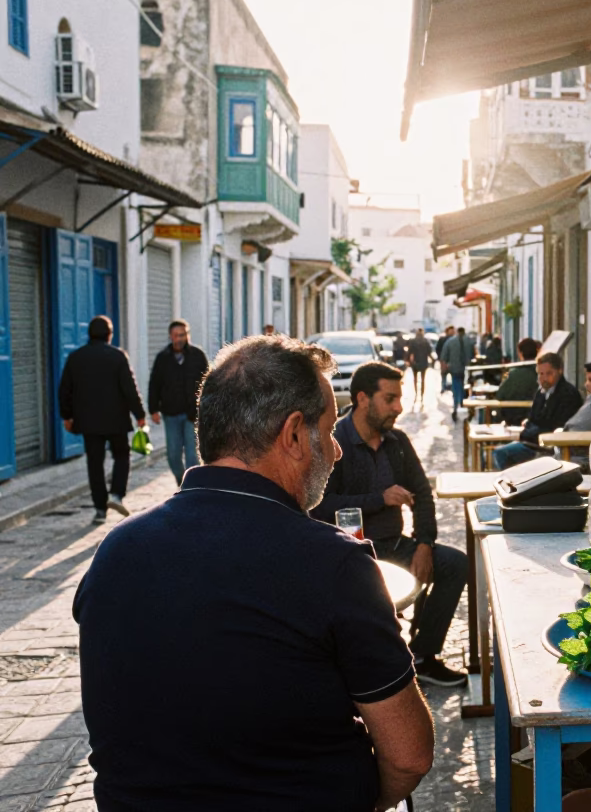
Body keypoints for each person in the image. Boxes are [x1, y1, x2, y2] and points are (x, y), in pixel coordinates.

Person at [73, 335, 434, 811]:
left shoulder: (117, 549)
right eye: (327, 432)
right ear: (291, 435)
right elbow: (409, 757)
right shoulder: (334, 563)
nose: (337, 451)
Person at [312, 362, 469, 687]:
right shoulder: (335, 442)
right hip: (351, 555)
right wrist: (379, 499)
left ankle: (424, 656)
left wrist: (424, 542)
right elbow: (320, 506)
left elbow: (423, 494)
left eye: (399, 398)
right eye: (390, 398)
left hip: (396, 546)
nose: (399, 407)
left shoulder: (396, 440)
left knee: (455, 563)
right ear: (363, 399)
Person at [57, 316, 146, 525]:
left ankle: (99, 508)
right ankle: (116, 494)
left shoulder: (76, 358)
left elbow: (65, 390)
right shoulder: (117, 357)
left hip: (89, 422)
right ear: (109, 334)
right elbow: (129, 389)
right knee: (122, 455)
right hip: (116, 420)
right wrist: (139, 415)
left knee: (94, 463)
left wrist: (66, 416)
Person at [491, 353, 583, 471]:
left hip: (548, 448)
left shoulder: (568, 395)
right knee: (499, 451)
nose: (544, 378)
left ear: (559, 371)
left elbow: (555, 426)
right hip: (533, 442)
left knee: (501, 453)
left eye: (549, 373)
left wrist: (526, 433)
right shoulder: (541, 392)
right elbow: (533, 418)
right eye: (540, 374)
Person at [148, 319, 211, 485]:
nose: (179, 339)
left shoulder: (198, 356)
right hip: (171, 413)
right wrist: (153, 408)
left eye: (182, 335)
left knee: (192, 456)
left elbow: (209, 383)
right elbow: (154, 383)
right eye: (176, 335)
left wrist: (207, 406)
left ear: (187, 335)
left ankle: (190, 487)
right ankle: (181, 481)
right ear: (170, 336)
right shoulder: (163, 358)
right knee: (173, 456)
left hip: (193, 413)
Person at [495, 337, 540, 424]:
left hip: (514, 419)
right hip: (536, 419)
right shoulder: (542, 373)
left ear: (520, 353)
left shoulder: (513, 374)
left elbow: (500, 396)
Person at [439, 326, 474, 419]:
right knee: (463, 386)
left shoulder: (450, 341)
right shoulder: (469, 341)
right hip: (466, 368)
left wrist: (445, 365)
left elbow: (444, 356)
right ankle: (462, 403)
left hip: (455, 368)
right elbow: (474, 353)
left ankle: (456, 405)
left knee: (456, 387)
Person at [406, 328, 434, 404]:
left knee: (415, 379)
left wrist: (408, 360)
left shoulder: (413, 341)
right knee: (423, 380)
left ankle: (416, 393)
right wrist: (433, 360)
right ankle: (421, 395)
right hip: (423, 362)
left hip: (415, 362)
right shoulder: (425, 341)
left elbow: (409, 352)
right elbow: (429, 352)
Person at [434, 325, 455, 393]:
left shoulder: (455, 339)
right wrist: (441, 358)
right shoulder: (442, 339)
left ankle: (452, 387)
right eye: (451, 331)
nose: (452, 332)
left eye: (453, 331)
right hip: (444, 360)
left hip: (452, 360)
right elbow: (437, 349)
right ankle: (443, 387)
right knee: (444, 374)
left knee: (453, 374)